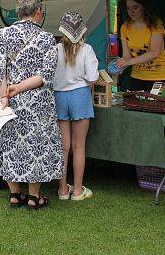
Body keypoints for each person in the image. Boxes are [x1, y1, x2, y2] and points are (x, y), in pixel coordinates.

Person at [0, 0, 63, 210]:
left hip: (9, 101)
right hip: (38, 103)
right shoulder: (47, 38)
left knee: (9, 144)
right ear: (38, 12)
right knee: (36, 146)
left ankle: (14, 194)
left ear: (17, 12)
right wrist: (20, 88)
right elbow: (45, 75)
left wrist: (5, 95)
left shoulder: (3, 34)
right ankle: (34, 196)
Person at [53, 11, 98, 201]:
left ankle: (63, 190)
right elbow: (93, 77)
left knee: (63, 148)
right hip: (80, 96)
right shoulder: (86, 49)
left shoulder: (55, 49)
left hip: (59, 97)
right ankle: (78, 191)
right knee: (79, 147)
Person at [117, 0, 165, 91]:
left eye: (135, 7)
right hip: (137, 76)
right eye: (128, 8)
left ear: (144, 7)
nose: (131, 11)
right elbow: (126, 56)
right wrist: (121, 66)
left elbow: (154, 53)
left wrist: (128, 62)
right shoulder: (124, 27)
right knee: (135, 105)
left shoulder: (156, 25)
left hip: (160, 76)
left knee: (157, 105)